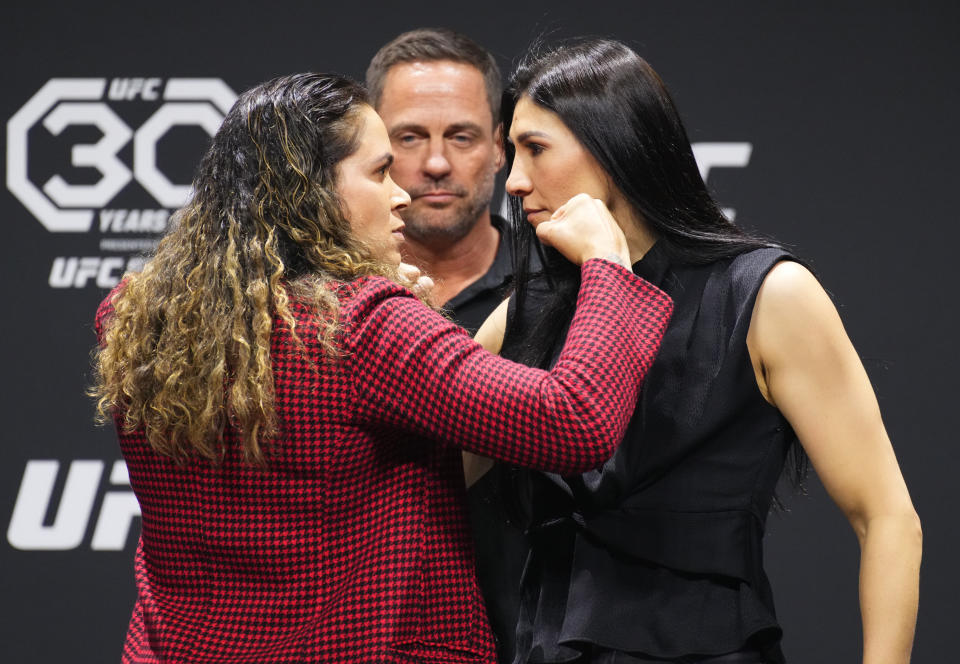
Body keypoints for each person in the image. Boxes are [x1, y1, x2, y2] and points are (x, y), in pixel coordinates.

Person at [89, 72, 673, 663]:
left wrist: (409, 315)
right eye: (378, 172)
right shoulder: (365, 326)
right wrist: (608, 267)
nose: (402, 194)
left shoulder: (138, 314)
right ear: (308, 191)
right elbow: (573, 421)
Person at [472, 39, 921, 664]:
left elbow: (888, 519)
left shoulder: (768, 295)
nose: (514, 182)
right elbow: (420, 482)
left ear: (613, 147)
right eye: (512, 152)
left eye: (536, 149)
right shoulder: (528, 311)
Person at [367, 28, 536, 658]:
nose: (435, 164)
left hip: (538, 634)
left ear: (499, 147)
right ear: (373, 150)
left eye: (460, 136)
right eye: (409, 137)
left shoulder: (561, 294)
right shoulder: (321, 308)